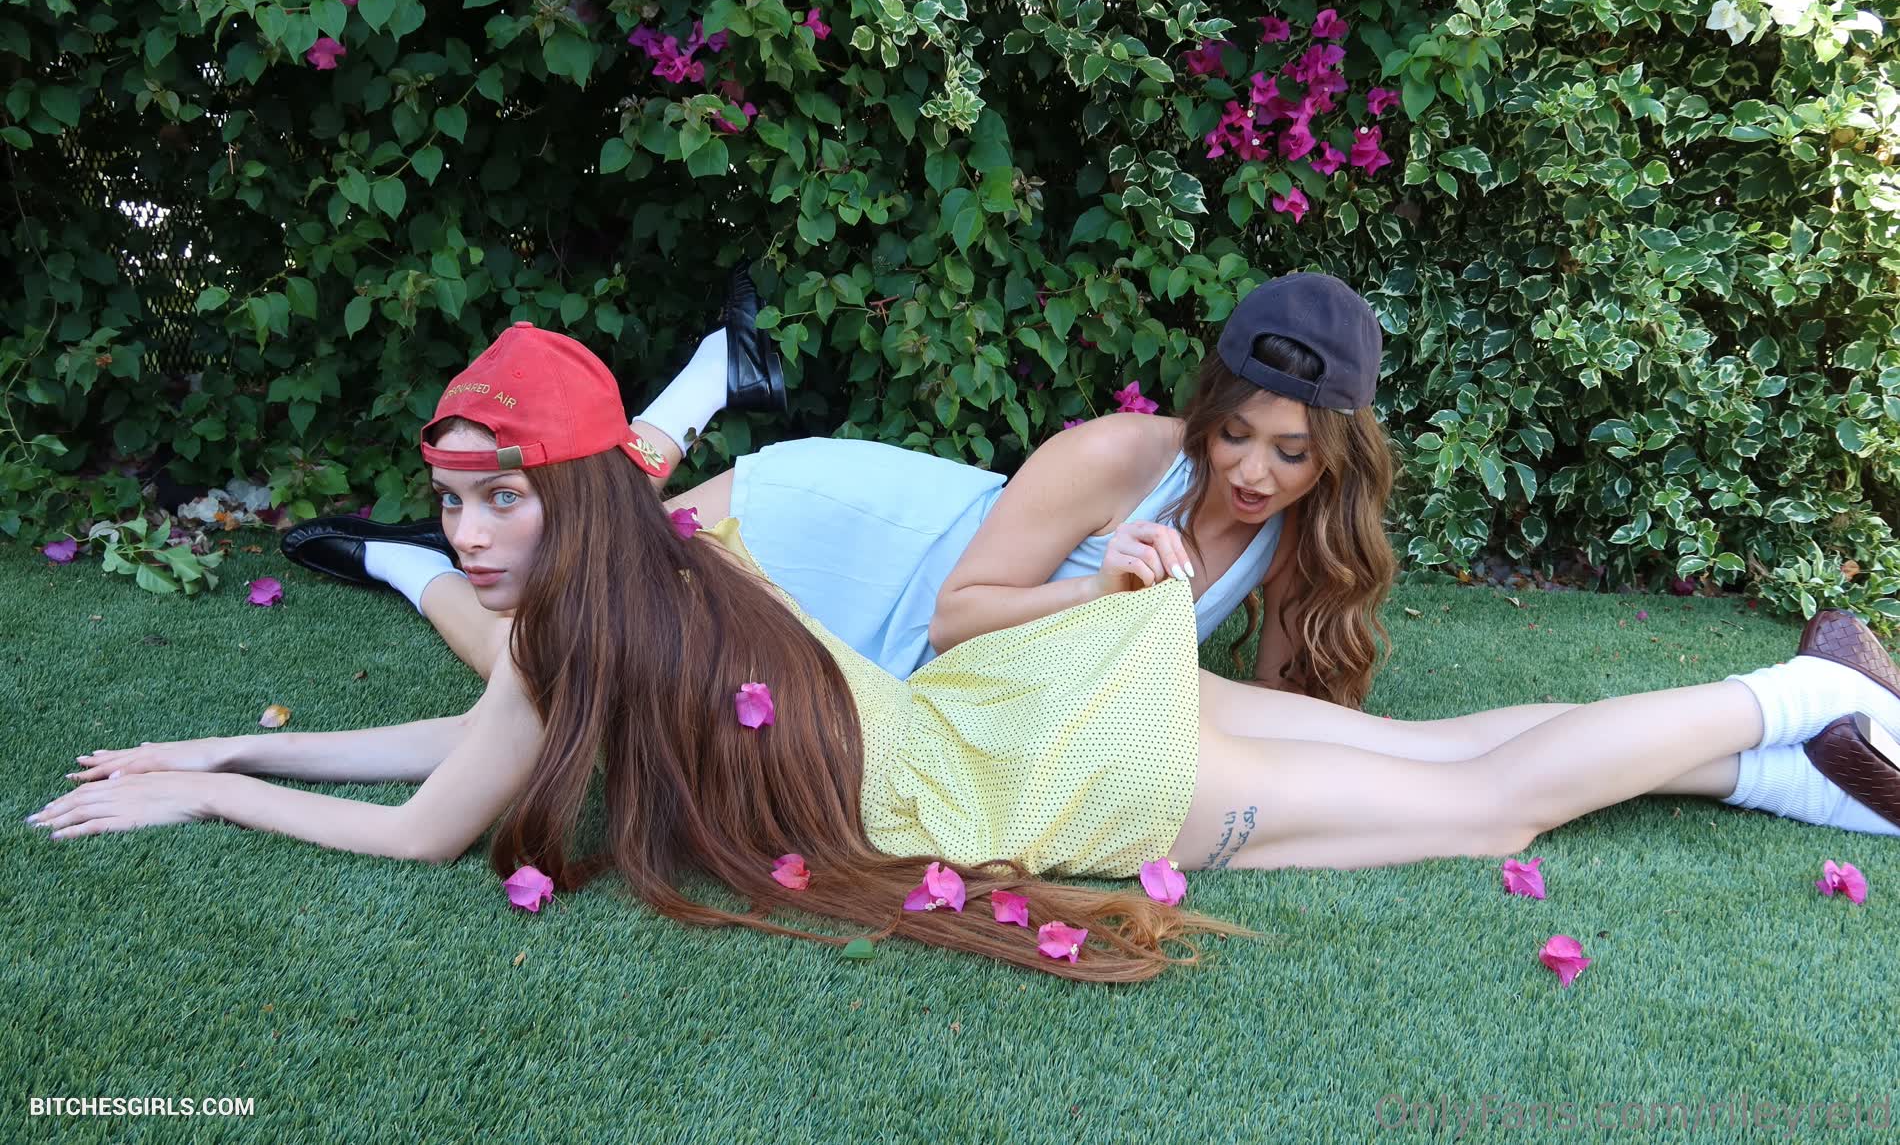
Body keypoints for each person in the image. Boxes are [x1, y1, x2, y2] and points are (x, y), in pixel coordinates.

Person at [29, 324, 1900, 983]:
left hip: (1048, 767)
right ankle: (1795, 765)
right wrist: (217, 749)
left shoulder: (603, 605)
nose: (472, 538)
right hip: (1021, 720)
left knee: (1476, 799)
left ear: (578, 494)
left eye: (495, 501)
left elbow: (428, 820)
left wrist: (212, 793)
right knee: (1438, 762)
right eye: (451, 510)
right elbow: (448, 760)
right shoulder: (635, 583)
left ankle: (1801, 698)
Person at [284, 272, 1397, 708]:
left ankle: (715, 370)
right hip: (849, 538)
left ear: (1334, 458)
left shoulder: (1294, 531)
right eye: (1234, 435)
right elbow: (955, 619)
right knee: (549, 654)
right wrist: (1102, 590)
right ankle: (413, 564)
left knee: (583, 621)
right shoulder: (1120, 457)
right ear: (1205, 411)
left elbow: (1282, 708)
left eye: (1291, 452)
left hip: (901, 643)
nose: (1252, 473)